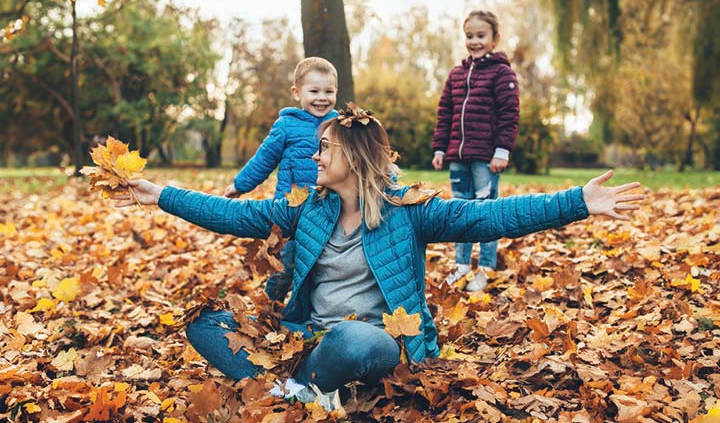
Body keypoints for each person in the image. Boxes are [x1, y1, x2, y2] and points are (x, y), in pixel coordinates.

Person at [115, 104, 643, 405]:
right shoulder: (307, 207)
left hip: (375, 346)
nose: (314, 155)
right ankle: (298, 389)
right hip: (305, 340)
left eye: (324, 148)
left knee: (358, 337)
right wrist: (158, 194)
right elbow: (232, 216)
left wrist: (579, 202)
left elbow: (493, 216)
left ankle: (293, 391)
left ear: (354, 155)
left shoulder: (409, 210)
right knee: (204, 322)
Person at [223, 57, 338, 301]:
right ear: (297, 93)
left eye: (329, 91)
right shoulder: (287, 125)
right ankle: (270, 307)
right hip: (290, 212)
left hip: (328, 210)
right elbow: (264, 159)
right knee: (285, 266)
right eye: (314, 91)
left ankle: (310, 313)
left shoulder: (339, 126)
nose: (322, 98)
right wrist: (240, 185)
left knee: (321, 267)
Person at [432, 10, 520, 292]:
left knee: (486, 212)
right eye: (469, 36)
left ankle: (486, 266)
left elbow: (509, 114)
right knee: (460, 211)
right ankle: (460, 265)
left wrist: (502, 150)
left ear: (495, 39)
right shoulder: (457, 74)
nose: (474, 41)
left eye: (480, 36)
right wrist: (439, 148)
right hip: (458, 157)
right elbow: (444, 113)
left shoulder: (502, 73)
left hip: (486, 158)